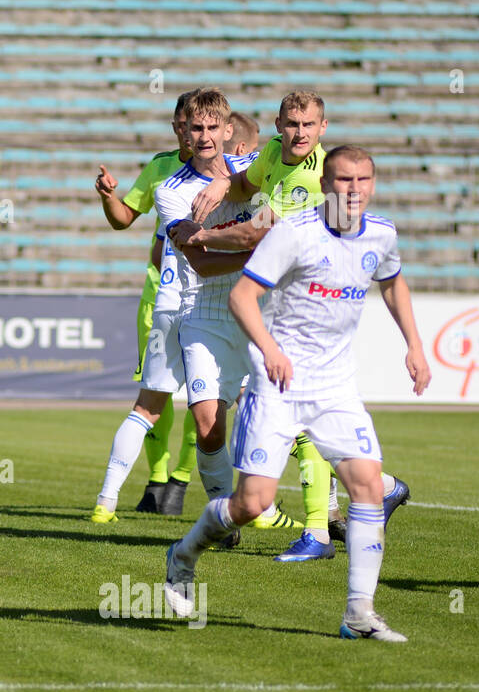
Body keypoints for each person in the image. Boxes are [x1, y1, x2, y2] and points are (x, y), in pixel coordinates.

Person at [163, 146, 431, 641]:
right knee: (251, 503)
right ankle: (183, 554)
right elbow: (245, 295)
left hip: (334, 387)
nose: (354, 189)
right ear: (326, 184)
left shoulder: (382, 234)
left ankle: (358, 613)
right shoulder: (293, 233)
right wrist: (269, 349)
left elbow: (393, 283)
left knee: (369, 486)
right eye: (344, 180)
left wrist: (414, 345)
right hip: (278, 384)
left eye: (363, 180)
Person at [180, 92, 409, 560]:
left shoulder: (316, 175)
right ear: (278, 125)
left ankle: (318, 534)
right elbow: (247, 186)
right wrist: (225, 186)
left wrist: (201, 235)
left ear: (322, 127)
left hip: (305, 313)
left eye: (309, 124)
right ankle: (376, 491)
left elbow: (260, 231)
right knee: (308, 429)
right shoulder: (271, 155)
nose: (300, 133)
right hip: (275, 307)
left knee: (302, 424)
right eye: (292, 124)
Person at [91, 103, 281, 524]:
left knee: (274, 407)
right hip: (194, 307)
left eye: (213, 127)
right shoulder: (168, 186)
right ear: (183, 131)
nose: (204, 135)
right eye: (195, 128)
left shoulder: (254, 168)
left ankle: (317, 514)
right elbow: (196, 259)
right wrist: (263, 250)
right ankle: (225, 513)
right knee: (201, 417)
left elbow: (287, 187)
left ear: (229, 130)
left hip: (258, 310)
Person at [90, 91, 200, 519]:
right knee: (164, 397)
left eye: (203, 125)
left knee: (202, 399)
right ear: (177, 128)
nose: (192, 133)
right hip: (163, 298)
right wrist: (107, 196)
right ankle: (159, 480)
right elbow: (123, 218)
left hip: (193, 296)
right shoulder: (160, 168)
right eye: (185, 125)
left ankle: (182, 478)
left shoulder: (231, 172)